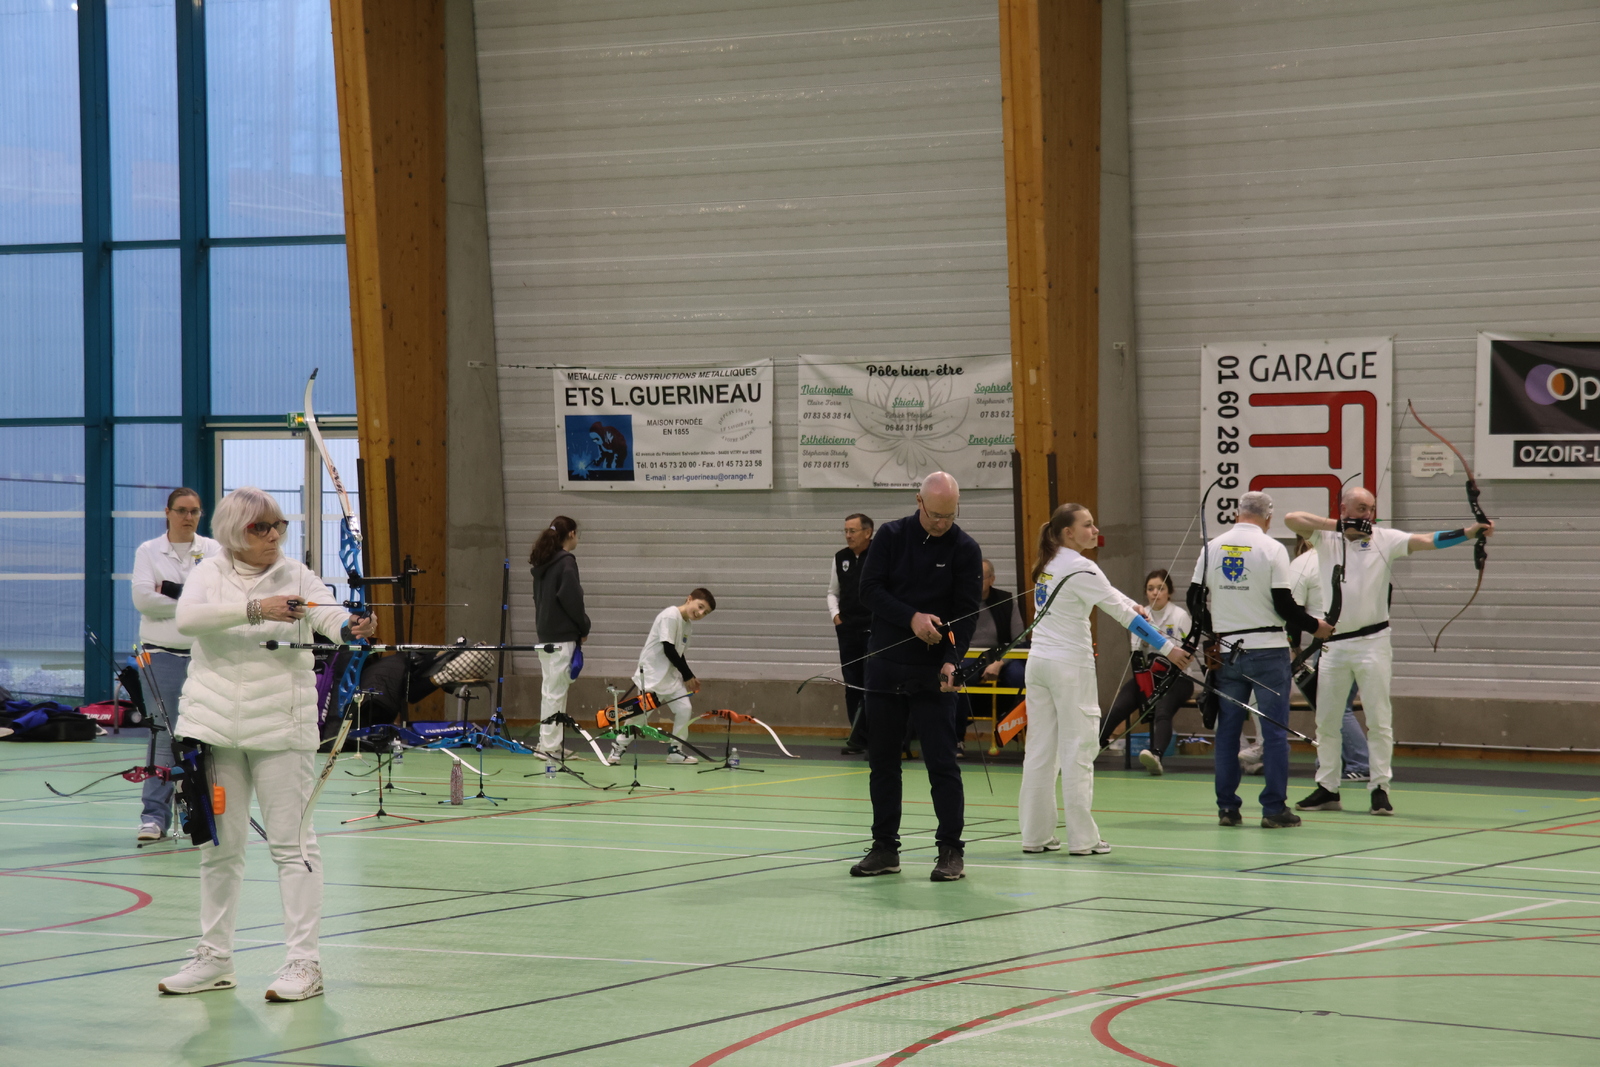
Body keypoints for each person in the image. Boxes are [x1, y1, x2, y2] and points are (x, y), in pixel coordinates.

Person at [157, 487, 375, 1000]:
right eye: (260, 527)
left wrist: (351, 626)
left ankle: (304, 963)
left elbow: (328, 616)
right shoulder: (209, 571)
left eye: (278, 525)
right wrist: (257, 609)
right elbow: (188, 620)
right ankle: (214, 959)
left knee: (293, 847)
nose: (273, 535)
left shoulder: (297, 574)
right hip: (215, 730)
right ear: (235, 531)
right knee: (219, 849)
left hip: (281, 730)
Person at [1286, 486, 1493, 816]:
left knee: (1379, 719)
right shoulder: (1325, 538)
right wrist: (1340, 526)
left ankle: (1380, 788)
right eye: (1361, 508)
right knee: (1326, 720)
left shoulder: (1384, 539)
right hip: (1334, 645)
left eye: (1370, 509)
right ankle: (1327, 788)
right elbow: (1291, 518)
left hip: (1373, 642)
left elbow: (1426, 540)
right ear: (1344, 509)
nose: (1367, 514)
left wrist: (1468, 533)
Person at [1022, 508, 1194, 854]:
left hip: (1038, 665)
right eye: (1087, 525)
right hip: (1069, 668)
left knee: (1040, 751)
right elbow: (1122, 614)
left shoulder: (1051, 561)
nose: (1095, 529)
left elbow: (1110, 595)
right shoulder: (1080, 566)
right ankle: (1083, 840)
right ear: (1068, 533)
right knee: (1079, 749)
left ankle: (1035, 836)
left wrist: (1134, 605)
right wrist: (1169, 648)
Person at [850, 472, 982, 883]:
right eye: (935, 514)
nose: (941, 523)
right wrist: (911, 618)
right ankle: (885, 848)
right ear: (918, 501)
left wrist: (953, 660)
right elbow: (868, 590)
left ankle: (951, 850)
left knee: (942, 763)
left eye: (950, 515)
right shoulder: (890, 537)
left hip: (934, 673)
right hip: (885, 666)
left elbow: (967, 613)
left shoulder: (965, 549)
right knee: (883, 763)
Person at [1188, 490, 1329, 829]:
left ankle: (1227, 809)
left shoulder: (1212, 547)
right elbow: (1283, 603)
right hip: (1268, 651)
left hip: (1227, 653)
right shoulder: (1272, 548)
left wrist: (1213, 630)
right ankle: (1274, 810)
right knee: (1274, 733)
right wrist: (1315, 626)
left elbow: (1194, 599)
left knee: (1227, 732)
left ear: (1237, 514)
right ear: (1268, 517)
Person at [128, 488, 222, 842]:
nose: (188, 517)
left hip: (205, 654)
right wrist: (193, 603)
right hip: (160, 655)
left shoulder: (213, 550)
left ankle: (204, 816)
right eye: (181, 510)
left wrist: (168, 591)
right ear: (167, 512)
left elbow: (220, 598)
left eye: (195, 511)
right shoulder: (148, 551)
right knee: (163, 736)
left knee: (208, 735)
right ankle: (154, 818)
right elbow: (143, 599)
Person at [1097, 568, 1201, 776]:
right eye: (1150, 589)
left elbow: (1191, 649)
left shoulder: (1180, 615)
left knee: (1163, 709)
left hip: (1178, 679)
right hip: (1147, 678)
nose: (1155, 593)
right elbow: (1137, 656)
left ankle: (1156, 755)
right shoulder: (1140, 615)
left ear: (1169, 592)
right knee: (1119, 706)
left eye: (1160, 588)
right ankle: (1090, 745)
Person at [1285, 536, 1369, 783]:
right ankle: (1332, 761)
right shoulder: (1352, 559)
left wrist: (1294, 648)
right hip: (1363, 642)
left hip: (1330, 645)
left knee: (1334, 707)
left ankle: (1361, 763)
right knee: (1335, 707)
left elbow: (1293, 612)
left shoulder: (1303, 563)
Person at [611, 588, 716, 765]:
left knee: (684, 709)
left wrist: (689, 675)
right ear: (689, 599)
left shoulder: (687, 626)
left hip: (671, 678)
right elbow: (669, 648)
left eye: (705, 612)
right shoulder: (670, 616)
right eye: (700, 607)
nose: (700, 613)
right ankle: (618, 747)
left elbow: (679, 653)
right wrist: (687, 675)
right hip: (652, 676)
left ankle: (675, 750)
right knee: (639, 717)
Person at [531, 515, 589, 760]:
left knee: (551, 692)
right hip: (561, 639)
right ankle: (549, 748)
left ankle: (549, 743)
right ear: (571, 534)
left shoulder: (544, 563)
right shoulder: (566, 562)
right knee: (555, 693)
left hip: (545, 637)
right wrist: (584, 627)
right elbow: (572, 599)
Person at [961, 558, 1026, 757]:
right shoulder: (959, 601)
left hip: (1002, 655)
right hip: (969, 655)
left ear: (992, 579)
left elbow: (1020, 640)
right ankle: (956, 737)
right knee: (959, 677)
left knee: (1021, 677)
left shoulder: (1006, 601)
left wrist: (999, 662)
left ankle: (1012, 727)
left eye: (980, 577)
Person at [828, 513, 873, 754]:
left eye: (852, 531)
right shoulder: (840, 557)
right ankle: (857, 738)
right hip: (847, 630)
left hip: (873, 629)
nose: (848, 535)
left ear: (867, 532)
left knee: (871, 682)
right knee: (852, 683)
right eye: (845, 531)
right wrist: (836, 617)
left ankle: (875, 737)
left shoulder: (880, 555)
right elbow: (832, 592)